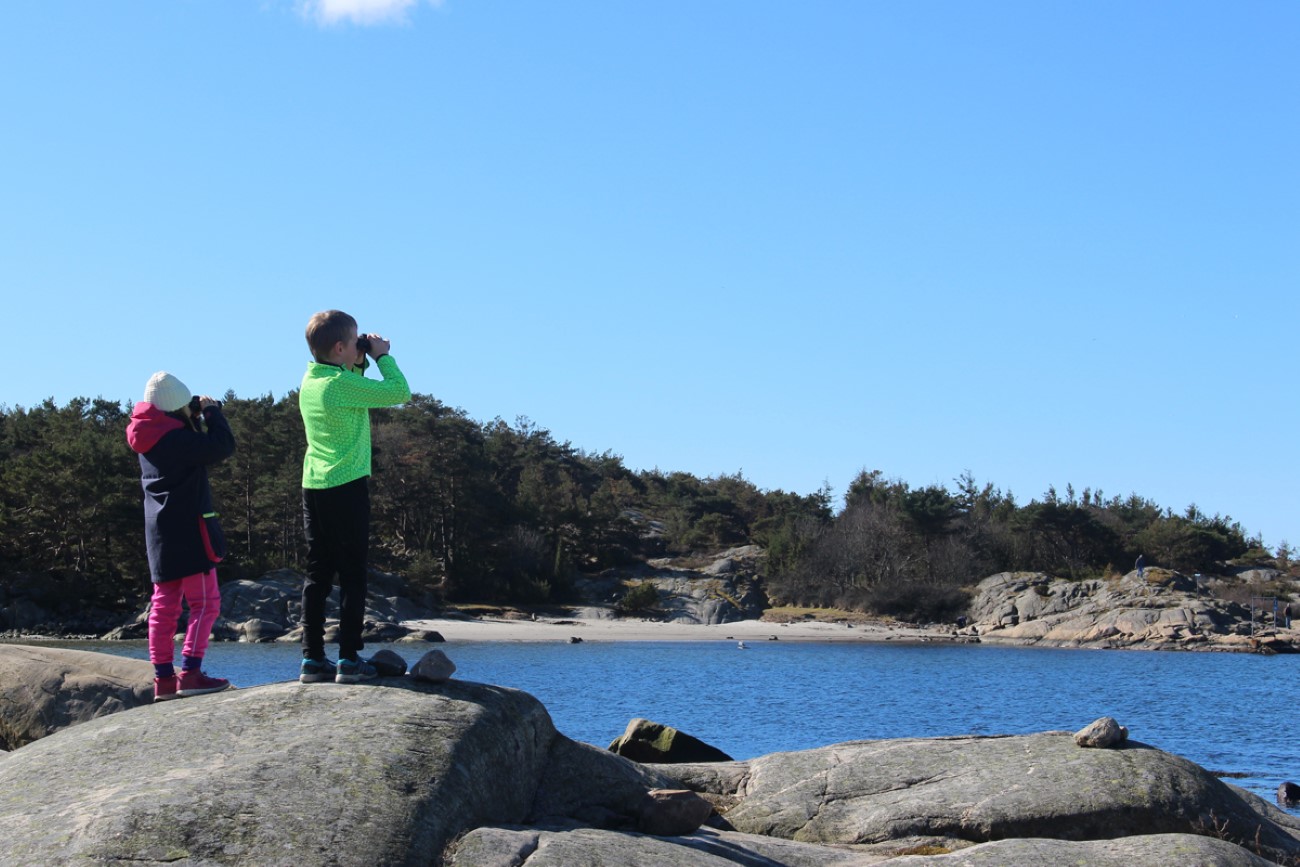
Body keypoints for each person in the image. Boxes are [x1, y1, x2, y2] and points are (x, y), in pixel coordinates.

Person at [298, 310, 411, 684]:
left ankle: (312, 659)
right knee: (352, 575)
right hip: (346, 485)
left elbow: (348, 385)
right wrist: (382, 357)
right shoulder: (340, 386)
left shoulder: (313, 380)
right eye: (356, 338)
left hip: (314, 484)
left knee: (318, 574)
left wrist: (358, 362)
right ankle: (348, 658)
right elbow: (399, 392)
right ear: (340, 346)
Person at [126, 371, 236, 702]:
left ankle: (163, 681)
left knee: (164, 607)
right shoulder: (178, 439)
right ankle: (190, 674)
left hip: (159, 534)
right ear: (177, 408)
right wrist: (212, 412)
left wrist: (193, 415)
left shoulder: (147, 436)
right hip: (190, 529)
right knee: (206, 603)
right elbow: (222, 446)